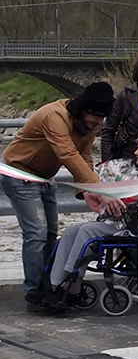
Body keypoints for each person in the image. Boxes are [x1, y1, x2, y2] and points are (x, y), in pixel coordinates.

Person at [40, 131, 138, 314]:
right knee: (72, 230)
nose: (136, 152)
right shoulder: (137, 170)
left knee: (88, 231)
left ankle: (73, 284)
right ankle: (56, 283)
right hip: (127, 221)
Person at [4, 81, 113, 307]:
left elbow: (83, 156)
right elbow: (67, 154)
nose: (99, 123)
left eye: (103, 118)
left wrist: (88, 190)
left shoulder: (88, 124)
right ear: (82, 109)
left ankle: (49, 284)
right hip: (18, 173)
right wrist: (103, 192)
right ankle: (34, 292)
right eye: (95, 116)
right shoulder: (54, 115)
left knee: (52, 232)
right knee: (36, 234)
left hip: (44, 177)